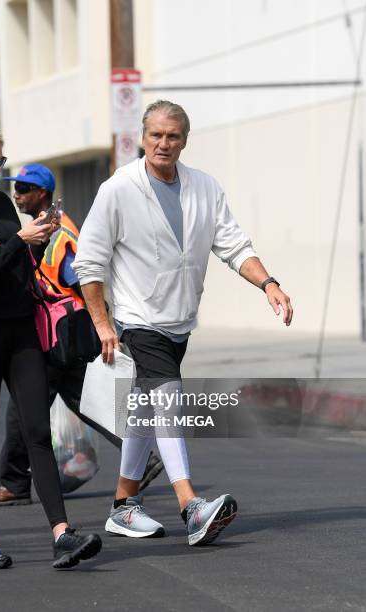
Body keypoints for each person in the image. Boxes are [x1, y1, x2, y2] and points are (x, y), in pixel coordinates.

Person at [72, 100, 293, 546]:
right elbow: (89, 263)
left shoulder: (204, 187)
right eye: (156, 135)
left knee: (142, 411)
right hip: (138, 319)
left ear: (184, 141)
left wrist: (268, 282)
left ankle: (123, 507)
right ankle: (191, 507)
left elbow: (232, 243)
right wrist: (102, 323)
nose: (164, 143)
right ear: (141, 137)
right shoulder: (119, 189)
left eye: (173, 136)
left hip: (179, 322)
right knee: (168, 404)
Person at [0, 123, 102, 569]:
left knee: (37, 433)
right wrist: (17, 242)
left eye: (0, 162)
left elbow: (16, 265)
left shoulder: (1, 203)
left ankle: (62, 534)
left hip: (21, 328)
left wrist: (35, 245)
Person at [0, 164, 164, 507]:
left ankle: (15, 484)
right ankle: (144, 457)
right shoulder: (46, 226)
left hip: (60, 335)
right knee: (87, 402)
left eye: (24, 188)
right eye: (15, 188)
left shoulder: (60, 233)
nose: (17, 194)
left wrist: (103, 324)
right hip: (65, 333)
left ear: (43, 194)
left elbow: (81, 276)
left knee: (22, 407)